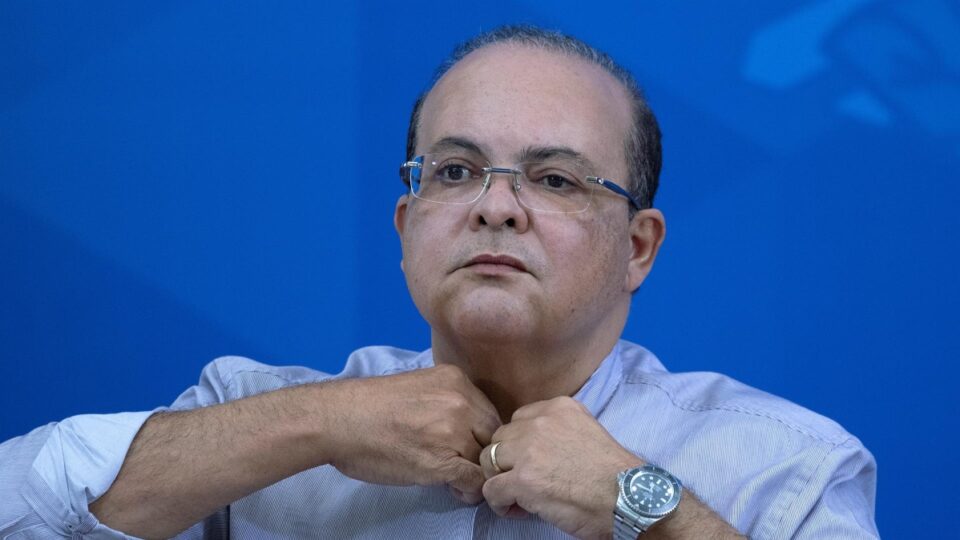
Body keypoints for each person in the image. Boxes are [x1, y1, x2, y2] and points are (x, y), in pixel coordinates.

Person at [0, 25, 878, 539]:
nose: (495, 207)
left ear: (638, 249)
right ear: (406, 226)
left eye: (554, 179)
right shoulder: (257, 423)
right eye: (455, 172)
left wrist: (640, 507)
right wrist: (317, 425)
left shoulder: (787, 466)